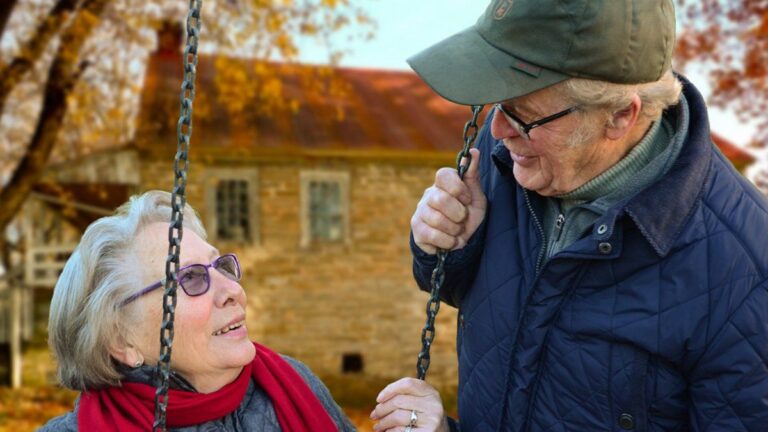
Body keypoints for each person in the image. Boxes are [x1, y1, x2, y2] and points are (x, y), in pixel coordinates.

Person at [406, 0, 768, 431]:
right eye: (494, 103)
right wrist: (446, 248)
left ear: (620, 116)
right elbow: (474, 297)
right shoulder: (507, 155)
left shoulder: (747, 274)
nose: (499, 130)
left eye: (523, 116)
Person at [39, 191, 445, 431]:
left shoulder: (293, 384)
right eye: (192, 279)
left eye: (221, 267)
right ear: (120, 339)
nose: (232, 290)